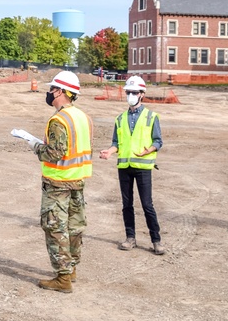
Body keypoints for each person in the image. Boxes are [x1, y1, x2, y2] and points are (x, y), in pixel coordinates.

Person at [32, 71, 93, 293]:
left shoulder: (58, 120)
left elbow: (54, 153)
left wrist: (36, 146)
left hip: (58, 184)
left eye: (51, 89)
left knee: (55, 229)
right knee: (74, 227)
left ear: (59, 91)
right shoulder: (83, 117)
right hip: (77, 180)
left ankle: (63, 278)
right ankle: (72, 268)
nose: (49, 93)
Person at [99, 75, 165, 255]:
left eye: (134, 92)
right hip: (124, 167)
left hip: (143, 167)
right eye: (128, 92)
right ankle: (130, 238)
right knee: (126, 204)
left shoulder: (151, 117)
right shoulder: (120, 119)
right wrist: (109, 152)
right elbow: (116, 143)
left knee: (147, 205)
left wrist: (149, 150)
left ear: (142, 94)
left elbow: (159, 141)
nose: (131, 95)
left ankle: (156, 240)